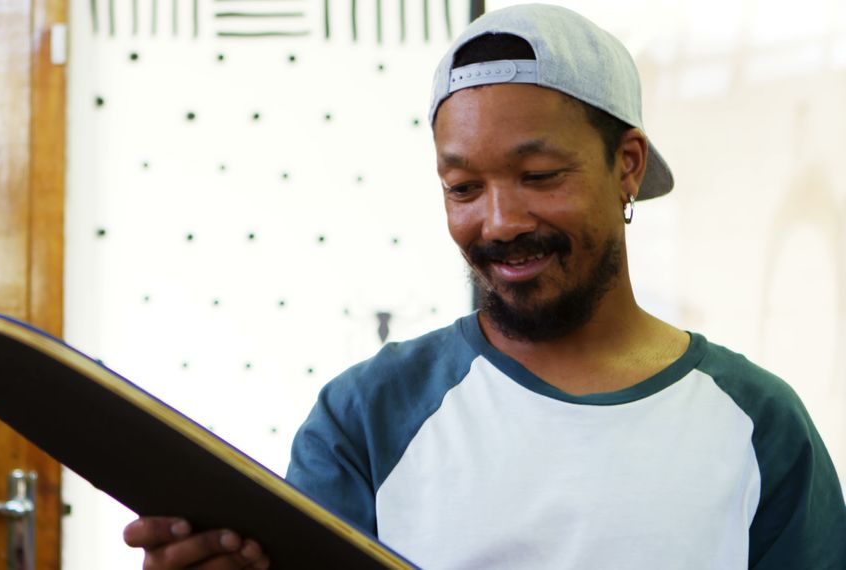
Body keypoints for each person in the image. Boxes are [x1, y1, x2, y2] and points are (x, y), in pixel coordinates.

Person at [123, 4, 846, 568]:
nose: (499, 223)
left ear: (626, 164)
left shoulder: (757, 425)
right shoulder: (370, 415)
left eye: (540, 177)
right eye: (463, 186)